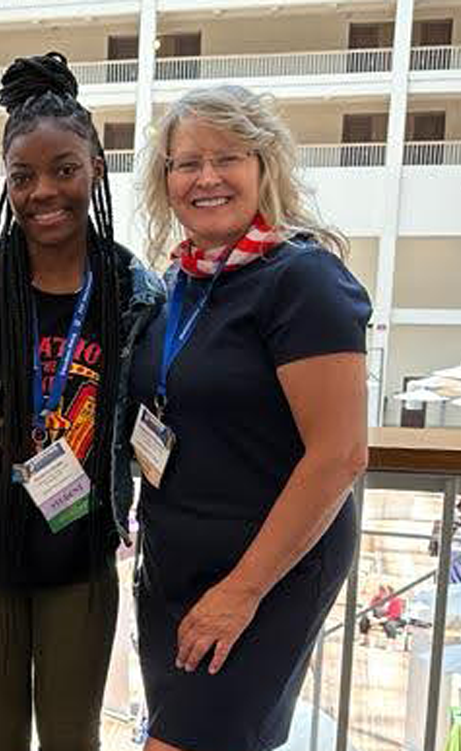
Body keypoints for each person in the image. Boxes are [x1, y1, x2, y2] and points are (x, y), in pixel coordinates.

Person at [0, 52, 162, 750]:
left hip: (78, 558)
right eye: (22, 176)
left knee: (72, 737)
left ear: (96, 167)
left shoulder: (134, 293)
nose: (43, 192)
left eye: (64, 169)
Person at [130, 84, 371, 751]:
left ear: (265, 166)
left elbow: (340, 455)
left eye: (227, 157)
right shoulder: (180, 285)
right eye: (187, 162)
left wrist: (242, 591)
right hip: (173, 571)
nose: (206, 177)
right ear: (166, 181)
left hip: (265, 576)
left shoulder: (303, 280)